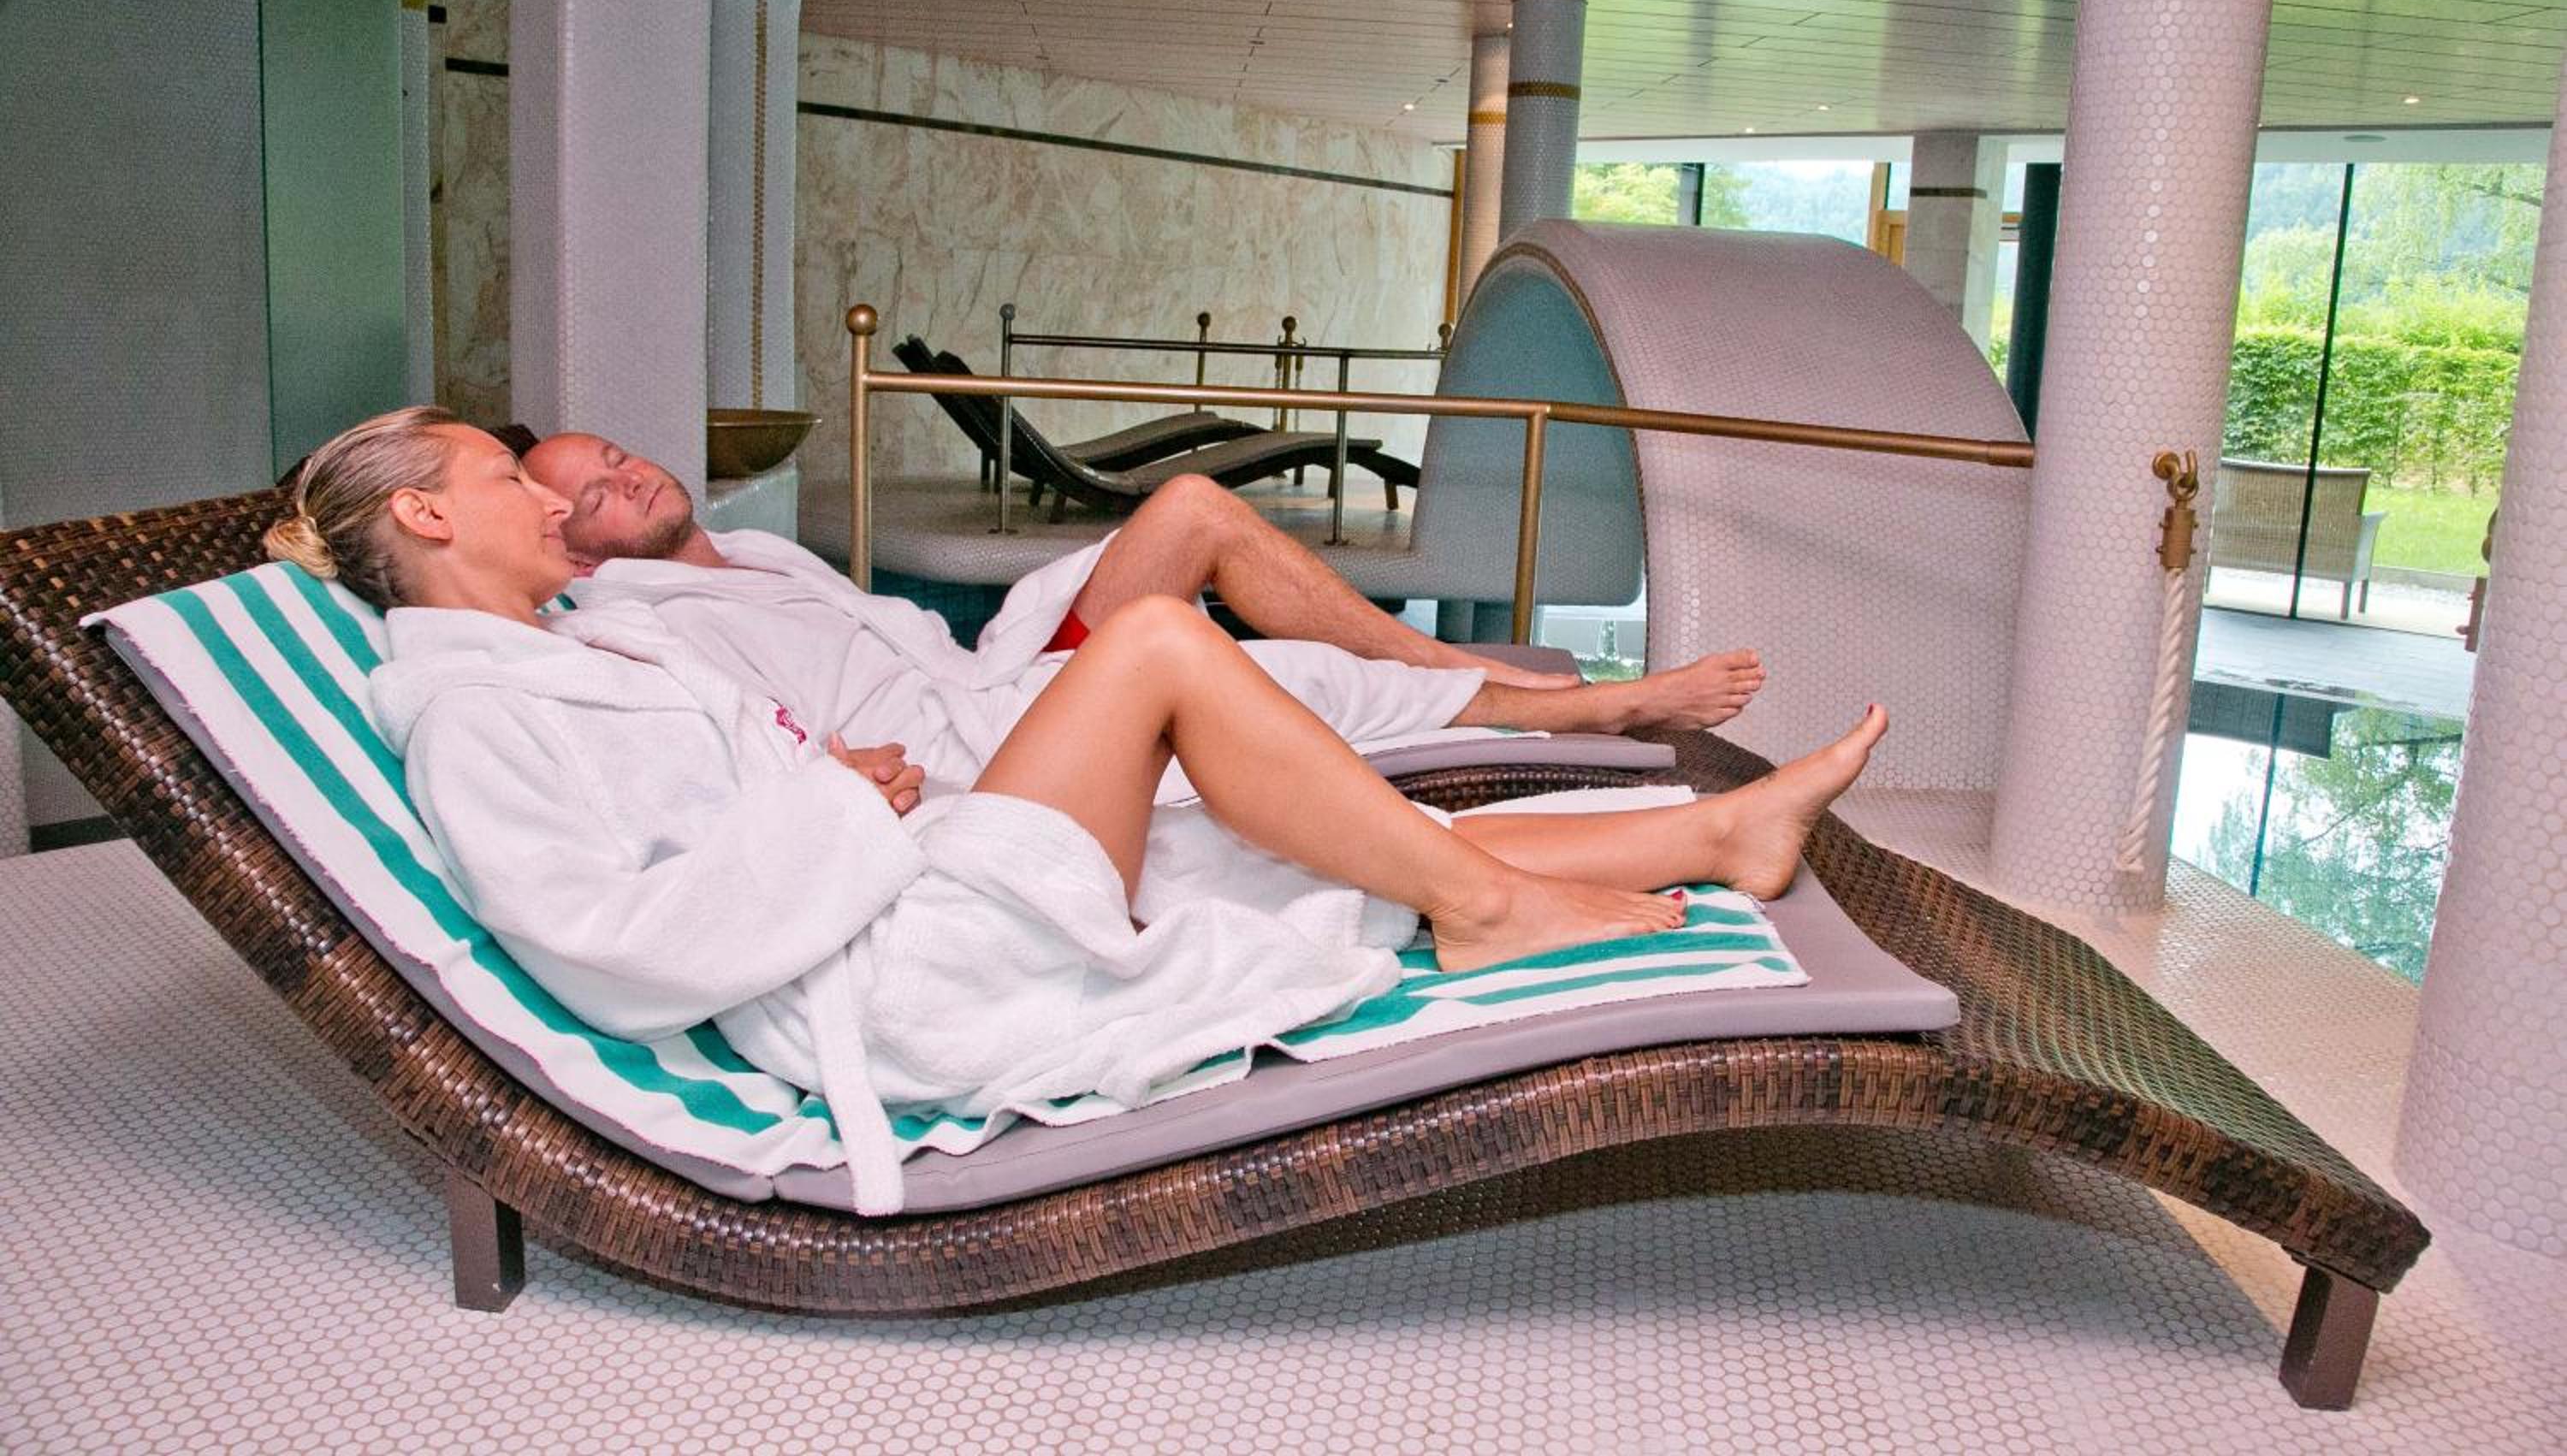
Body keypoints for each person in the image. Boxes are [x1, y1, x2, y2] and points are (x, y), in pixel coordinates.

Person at [271, 407, 1885, 1214]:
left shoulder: (549, 658)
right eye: (509, 481)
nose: (549, 503)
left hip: (896, 888)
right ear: (427, 516)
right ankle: (1486, 907)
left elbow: (744, 791)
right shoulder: (478, 712)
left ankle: (1710, 837)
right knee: (1165, 648)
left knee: (1272, 839)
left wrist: (834, 792)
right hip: (892, 978)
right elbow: (611, 943)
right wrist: (835, 807)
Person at [521, 430, 1771, 804]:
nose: (628, 481)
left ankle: (1442, 657)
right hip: (990, 740)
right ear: (569, 547)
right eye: (595, 497)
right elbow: (743, 747)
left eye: (618, 458)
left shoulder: (749, 548)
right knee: (1278, 674)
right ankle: (1587, 707)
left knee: (1191, 506)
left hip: (988, 673)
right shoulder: (641, 623)